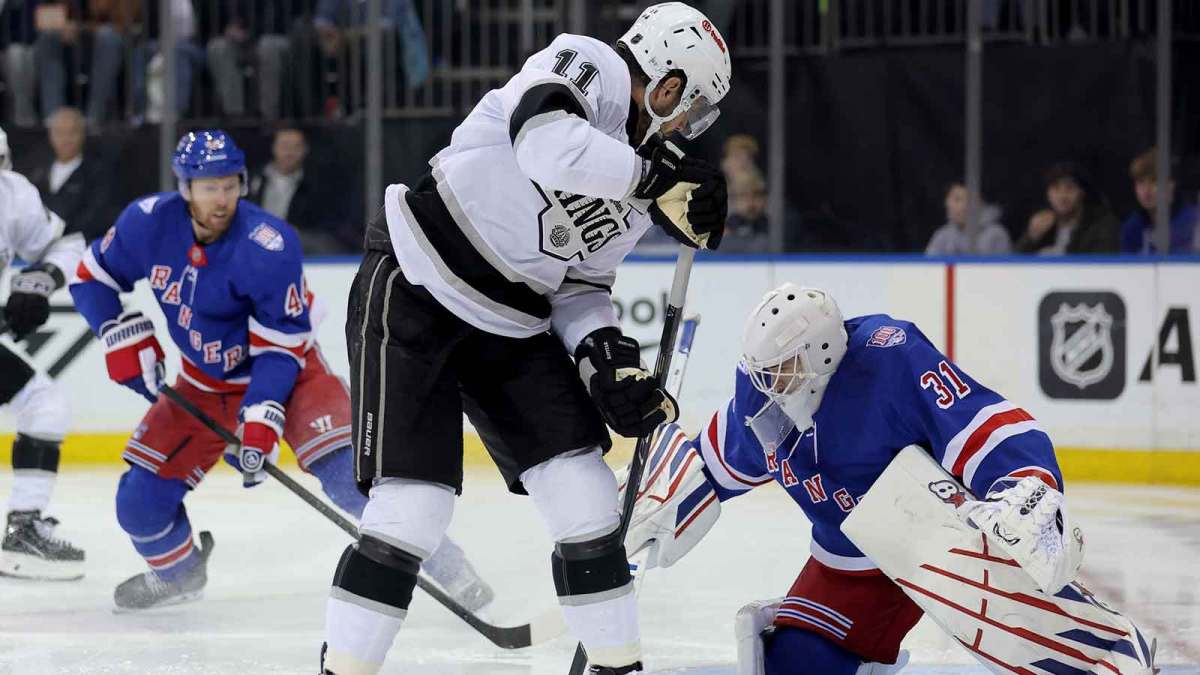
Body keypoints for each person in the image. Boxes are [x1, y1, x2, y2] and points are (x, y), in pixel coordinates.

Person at [319, 3, 731, 673]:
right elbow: (543, 141)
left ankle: (616, 665)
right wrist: (654, 185)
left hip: (512, 322)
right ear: (666, 84)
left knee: (586, 496)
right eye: (694, 105)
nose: (688, 125)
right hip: (419, 280)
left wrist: (606, 363)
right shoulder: (588, 64)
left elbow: (580, 287)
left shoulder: (637, 180)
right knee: (412, 508)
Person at [67, 130, 494, 612]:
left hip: (292, 374)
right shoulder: (146, 224)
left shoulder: (267, 244)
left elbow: (281, 347)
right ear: (185, 187)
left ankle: (449, 568)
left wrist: (262, 414)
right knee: (138, 505)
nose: (221, 198)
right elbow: (92, 278)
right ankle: (179, 572)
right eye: (208, 187)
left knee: (349, 481)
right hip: (204, 383)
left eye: (229, 185)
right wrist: (117, 330)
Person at [618, 283, 1088, 674]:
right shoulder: (761, 395)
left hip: (945, 542)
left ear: (822, 354)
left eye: (782, 372)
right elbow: (714, 463)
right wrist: (658, 496)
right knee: (791, 666)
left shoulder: (890, 362)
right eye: (763, 374)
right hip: (852, 564)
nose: (769, 387)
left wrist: (1026, 485)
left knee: (1059, 652)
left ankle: (1098, 653)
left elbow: (984, 425)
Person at [0, 124, 87, 580]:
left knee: (45, 405)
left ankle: (24, 528)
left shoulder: (14, 195)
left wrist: (41, 280)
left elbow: (67, 244)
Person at [248, 127, 347, 254]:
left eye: (296, 146)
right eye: (284, 146)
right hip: (254, 245)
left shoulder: (317, 184)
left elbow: (327, 226)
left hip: (299, 248)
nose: (289, 152)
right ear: (273, 148)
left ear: (305, 149)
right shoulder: (254, 179)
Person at [28, 107, 117, 243]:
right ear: (50, 135)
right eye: (59, 133)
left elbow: (95, 215)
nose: (66, 139)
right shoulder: (36, 170)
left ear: (82, 134)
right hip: (36, 245)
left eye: (72, 132)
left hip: (78, 246)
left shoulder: (96, 172)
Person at [1016, 162, 1118, 255]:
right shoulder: (1043, 225)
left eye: (1069, 188)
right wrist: (1031, 237)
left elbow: (1101, 267)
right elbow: (1013, 266)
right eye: (1056, 188)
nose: (1062, 196)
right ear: (1048, 194)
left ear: (1081, 193)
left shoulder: (1101, 226)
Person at [1119, 148, 1198, 254]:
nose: (1146, 190)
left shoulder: (1193, 224)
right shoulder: (1132, 228)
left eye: (1154, 181)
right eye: (1141, 182)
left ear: (1171, 184)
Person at [924, 182, 1011, 255]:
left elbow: (1003, 272)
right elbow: (929, 270)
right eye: (949, 200)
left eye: (957, 200)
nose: (949, 205)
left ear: (976, 203)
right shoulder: (942, 235)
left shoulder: (996, 235)